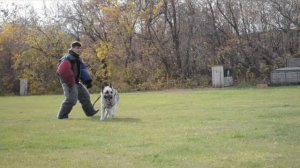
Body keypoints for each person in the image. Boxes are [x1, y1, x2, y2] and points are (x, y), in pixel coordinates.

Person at [56, 41, 98, 119]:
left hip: (76, 82)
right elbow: (62, 70)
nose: (79, 50)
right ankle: (62, 116)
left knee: (85, 96)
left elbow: (82, 70)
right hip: (69, 82)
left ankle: (90, 113)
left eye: (79, 48)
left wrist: (87, 81)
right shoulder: (67, 58)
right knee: (71, 99)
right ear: (72, 48)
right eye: (77, 48)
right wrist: (70, 82)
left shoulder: (77, 59)